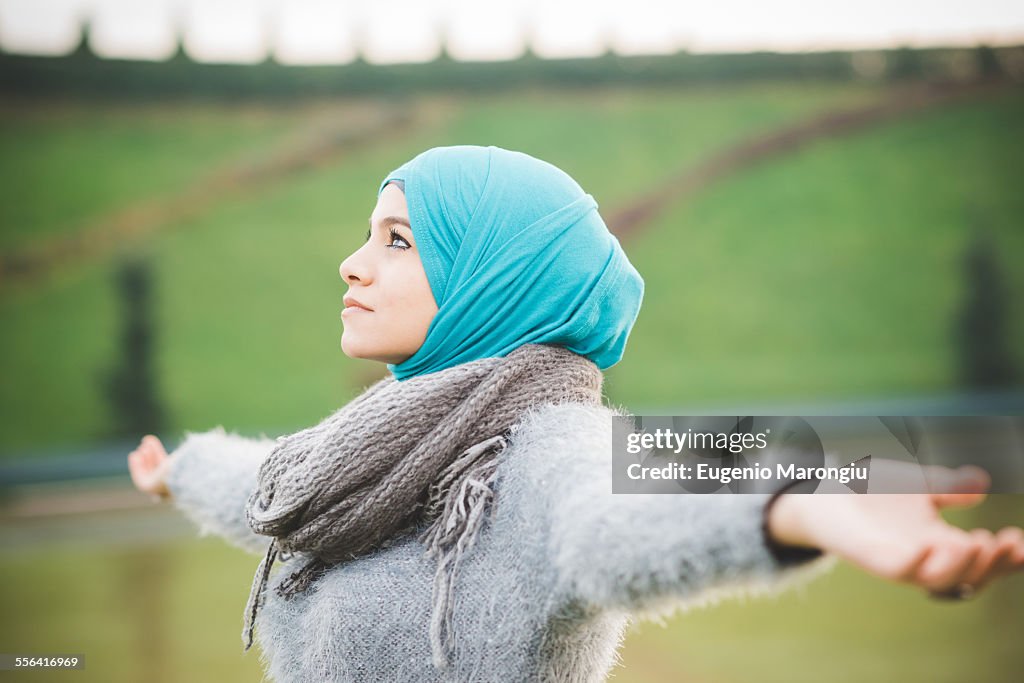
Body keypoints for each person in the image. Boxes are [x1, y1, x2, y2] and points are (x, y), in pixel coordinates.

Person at [128, 145, 1024, 683]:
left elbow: (636, 498)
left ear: (497, 278)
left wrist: (823, 503)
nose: (351, 264)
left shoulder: (550, 449)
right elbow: (263, 485)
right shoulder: (364, 449)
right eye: (369, 235)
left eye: (397, 240)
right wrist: (173, 470)